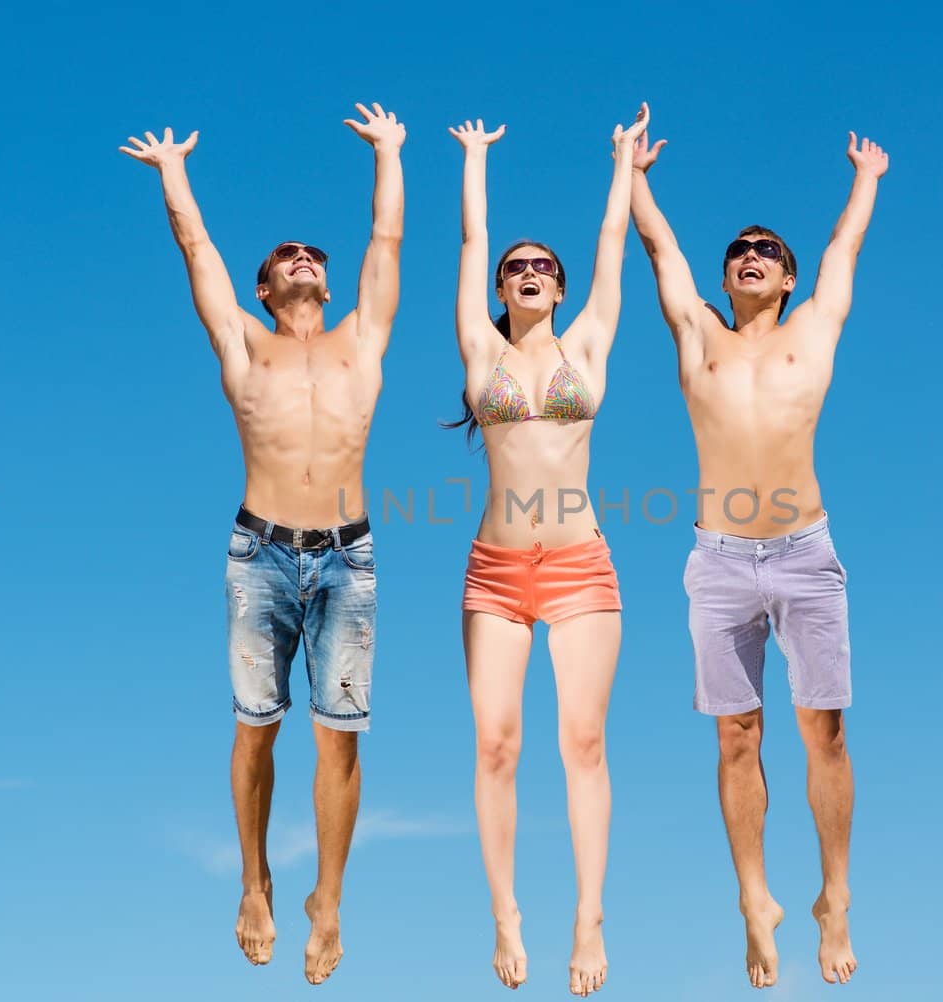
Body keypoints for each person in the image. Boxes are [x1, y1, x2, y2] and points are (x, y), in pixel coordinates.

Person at [119, 102, 405, 986]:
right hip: (262, 557)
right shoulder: (245, 348)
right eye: (289, 257)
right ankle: (254, 881)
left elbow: (386, 243)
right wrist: (174, 173)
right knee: (257, 729)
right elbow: (198, 254)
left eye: (314, 254)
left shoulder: (364, 339)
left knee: (341, 740)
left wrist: (390, 152)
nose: (307, 260)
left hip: (349, 557)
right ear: (266, 289)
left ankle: (329, 899)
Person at [628, 126, 890, 988]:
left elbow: (844, 245)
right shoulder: (697, 333)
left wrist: (866, 176)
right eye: (737, 249)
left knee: (826, 732)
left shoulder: (812, 329)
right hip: (720, 560)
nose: (747, 255)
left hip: (806, 554)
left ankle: (836, 893)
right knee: (737, 736)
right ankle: (755, 899)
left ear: (785, 277)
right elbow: (658, 244)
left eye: (765, 250)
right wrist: (632, 175)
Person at [446, 104, 648, 997]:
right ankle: (505, 915)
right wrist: (477, 157)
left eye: (542, 267)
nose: (527, 272)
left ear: (560, 288)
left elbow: (613, 241)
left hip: (579, 570)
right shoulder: (477, 342)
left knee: (584, 742)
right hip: (495, 573)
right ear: (501, 286)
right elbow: (469, 235)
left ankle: (589, 915)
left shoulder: (589, 341)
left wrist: (623, 165)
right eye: (514, 268)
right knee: (495, 745)